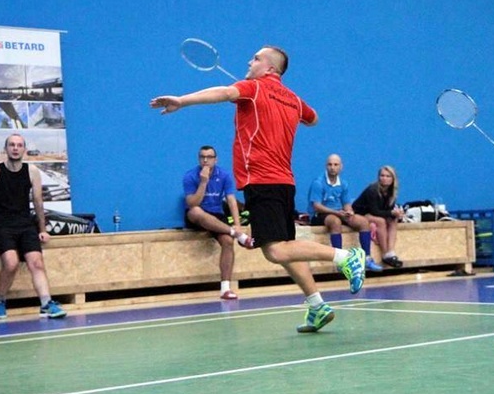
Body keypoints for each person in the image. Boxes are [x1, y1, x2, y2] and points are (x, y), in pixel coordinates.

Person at [151, 45, 365, 333]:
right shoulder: (293, 99)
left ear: (270, 68)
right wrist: (279, 104)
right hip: (284, 183)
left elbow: (224, 92)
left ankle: (346, 257)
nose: (249, 61)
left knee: (274, 251)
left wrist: (182, 100)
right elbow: (313, 119)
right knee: (287, 247)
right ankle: (317, 306)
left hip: (262, 181)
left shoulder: (252, 87)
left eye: (256, 58)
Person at [0, 134, 67, 319]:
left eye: (19, 145)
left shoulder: (32, 171)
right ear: (6, 149)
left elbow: (38, 201)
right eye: (12, 145)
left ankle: (46, 303)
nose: (15, 148)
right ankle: (0, 301)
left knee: (37, 262)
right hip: (1, 225)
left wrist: (42, 230)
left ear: (24, 149)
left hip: (25, 224)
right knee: (11, 263)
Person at [183, 145, 253, 300]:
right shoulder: (190, 176)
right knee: (195, 211)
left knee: (228, 241)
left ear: (216, 159)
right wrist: (203, 182)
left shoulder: (224, 175)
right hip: (197, 216)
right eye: (202, 157)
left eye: (209, 157)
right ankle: (238, 236)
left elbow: (231, 200)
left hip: (217, 215)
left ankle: (225, 289)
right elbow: (192, 203)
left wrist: (237, 224)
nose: (205, 160)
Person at [308, 154, 381, 271]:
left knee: (363, 222)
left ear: (341, 167)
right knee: (335, 222)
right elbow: (316, 206)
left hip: (338, 212)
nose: (332, 167)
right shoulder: (318, 183)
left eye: (335, 165)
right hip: (320, 214)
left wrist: (349, 211)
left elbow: (346, 203)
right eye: (330, 164)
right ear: (326, 166)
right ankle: (340, 261)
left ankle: (367, 258)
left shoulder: (343, 183)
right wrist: (337, 213)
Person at [352, 165, 405, 268]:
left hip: (374, 213)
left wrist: (397, 214)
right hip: (361, 214)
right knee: (381, 221)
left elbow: (388, 210)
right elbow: (375, 211)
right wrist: (391, 213)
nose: (384, 178)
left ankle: (390, 252)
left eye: (388, 176)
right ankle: (385, 253)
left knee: (393, 220)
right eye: (382, 175)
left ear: (393, 179)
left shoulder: (391, 191)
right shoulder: (372, 190)